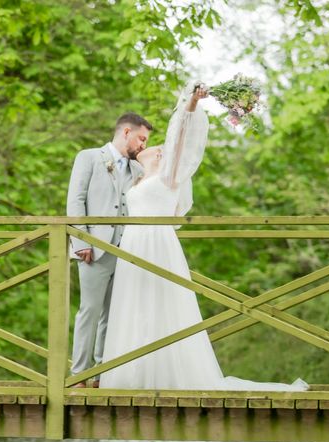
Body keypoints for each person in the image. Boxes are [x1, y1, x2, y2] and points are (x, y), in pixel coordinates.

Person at [99, 83, 307, 391]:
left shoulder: (168, 177)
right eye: (144, 142)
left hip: (156, 245)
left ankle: (169, 377)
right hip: (133, 245)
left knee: (162, 304)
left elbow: (180, 136)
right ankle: (131, 374)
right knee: (136, 307)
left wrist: (191, 103)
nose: (148, 147)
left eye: (155, 146)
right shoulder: (138, 179)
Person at [67, 113, 153, 388]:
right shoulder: (89, 157)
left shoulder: (138, 170)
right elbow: (76, 201)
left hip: (126, 251)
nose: (143, 145)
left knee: (113, 315)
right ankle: (79, 373)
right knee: (89, 312)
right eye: (141, 138)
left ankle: (102, 374)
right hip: (94, 250)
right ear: (126, 132)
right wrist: (81, 243)